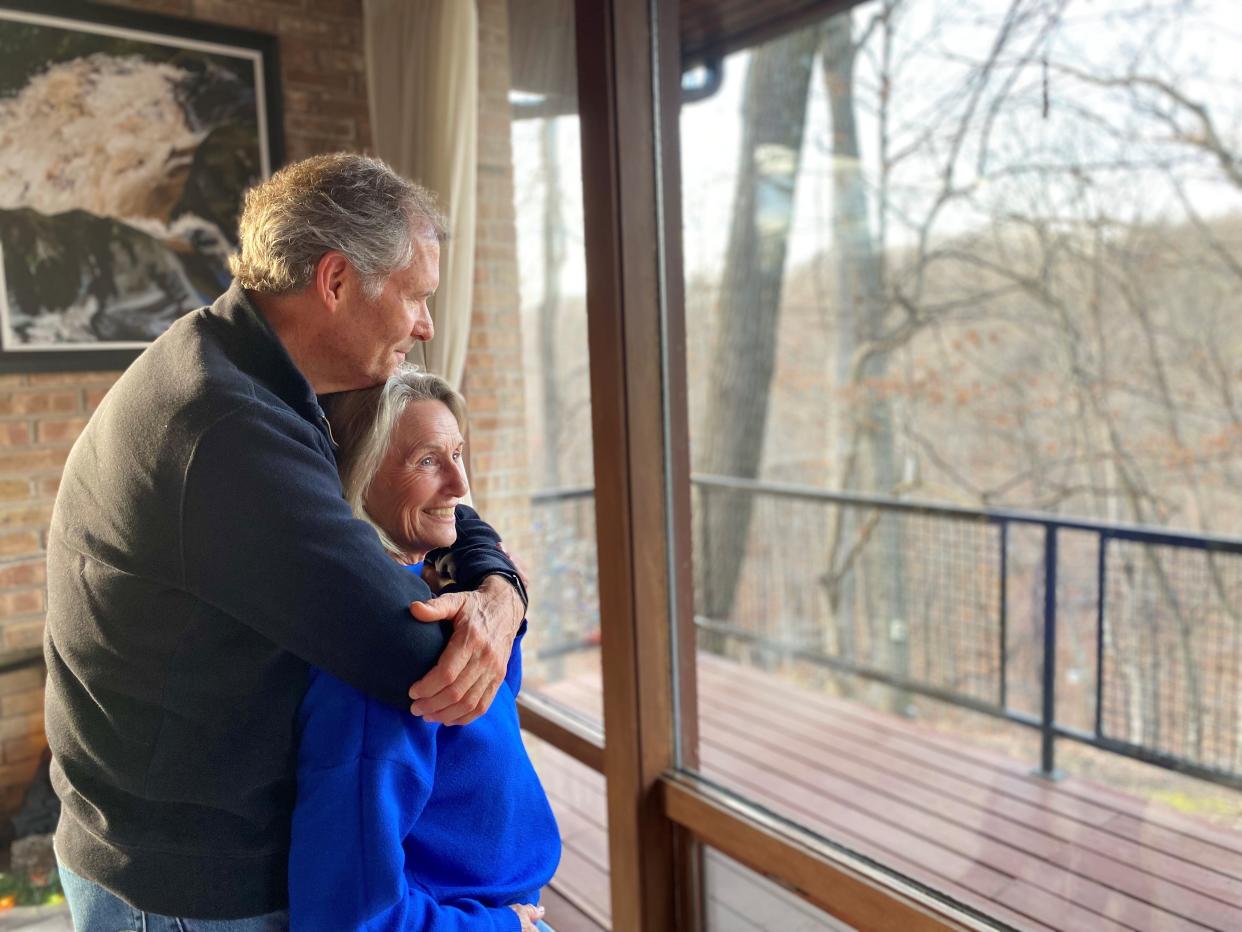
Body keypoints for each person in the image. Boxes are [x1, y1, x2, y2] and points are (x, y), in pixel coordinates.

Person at [45, 153, 528, 928]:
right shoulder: (226, 427)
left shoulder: (238, 366)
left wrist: (498, 589)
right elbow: (419, 657)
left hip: (149, 841)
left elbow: (441, 511)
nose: (427, 325)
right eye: (417, 297)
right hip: (181, 889)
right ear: (336, 282)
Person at [290, 365, 559, 931]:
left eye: (458, 454)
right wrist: (502, 927)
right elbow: (348, 917)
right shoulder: (380, 654)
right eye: (427, 461)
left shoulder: (447, 589)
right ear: (359, 477)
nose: (460, 486)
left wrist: (497, 595)